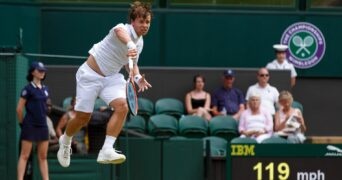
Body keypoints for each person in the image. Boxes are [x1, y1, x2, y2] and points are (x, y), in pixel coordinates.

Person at [57, 1, 152, 167]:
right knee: (82, 118)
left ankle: (106, 149)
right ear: (133, 22)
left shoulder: (141, 43)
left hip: (111, 78)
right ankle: (65, 141)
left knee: (122, 106)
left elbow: (131, 64)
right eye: (141, 21)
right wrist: (130, 43)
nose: (145, 25)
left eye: (148, 22)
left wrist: (137, 79)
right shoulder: (122, 28)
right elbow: (119, 32)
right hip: (89, 75)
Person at [16, 61, 50, 180]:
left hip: (42, 126)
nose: (42, 72)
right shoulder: (27, 89)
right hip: (30, 125)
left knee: (43, 157)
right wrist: (22, 123)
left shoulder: (46, 89)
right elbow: (19, 109)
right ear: (32, 72)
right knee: (25, 155)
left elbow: (46, 106)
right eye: (39, 70)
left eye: (43, 70)